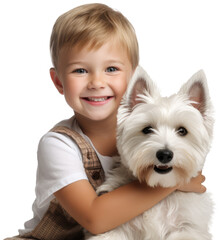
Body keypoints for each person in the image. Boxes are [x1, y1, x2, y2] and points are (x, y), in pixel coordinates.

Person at [7, 3, 206, 239]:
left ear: (132, 79)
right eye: (80, 71)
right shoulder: (58, 145)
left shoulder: (151, 130)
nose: (97, 82)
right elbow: (95, 218)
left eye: (111, 68)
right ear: (59, 81)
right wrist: (173, 181)